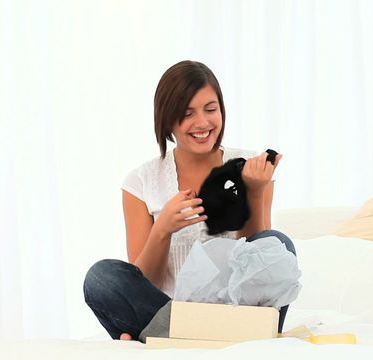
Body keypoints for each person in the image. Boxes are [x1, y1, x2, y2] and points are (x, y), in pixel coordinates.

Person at [83, 60, 296, 342]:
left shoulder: (250, 166)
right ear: (167, 118)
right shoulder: (140, 181)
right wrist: (163, 229)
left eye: (211, 109)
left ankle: (170, 339)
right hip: (173, 314)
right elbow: (145, 281)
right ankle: (200, 339)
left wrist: (254, 191)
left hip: (238, 312)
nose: (203, 123)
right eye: (187, 113)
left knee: (277, 243)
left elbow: (258, 264)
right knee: (101, 278)